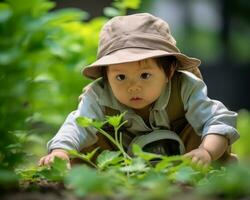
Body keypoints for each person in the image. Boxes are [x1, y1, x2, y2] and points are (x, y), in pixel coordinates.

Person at [38, 13, 239, 168]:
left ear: (169, 71)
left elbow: (216, 119)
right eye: (120, 77)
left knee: (210, 133)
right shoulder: (99, 94)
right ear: (105, 75)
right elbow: (77, 125)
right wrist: (61, 150)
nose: (133, 86)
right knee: (88, 134)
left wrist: (206, 151)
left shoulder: (185, 85)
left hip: (184, 158)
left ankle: (209, 165)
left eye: (145, 75)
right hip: (120, 160)